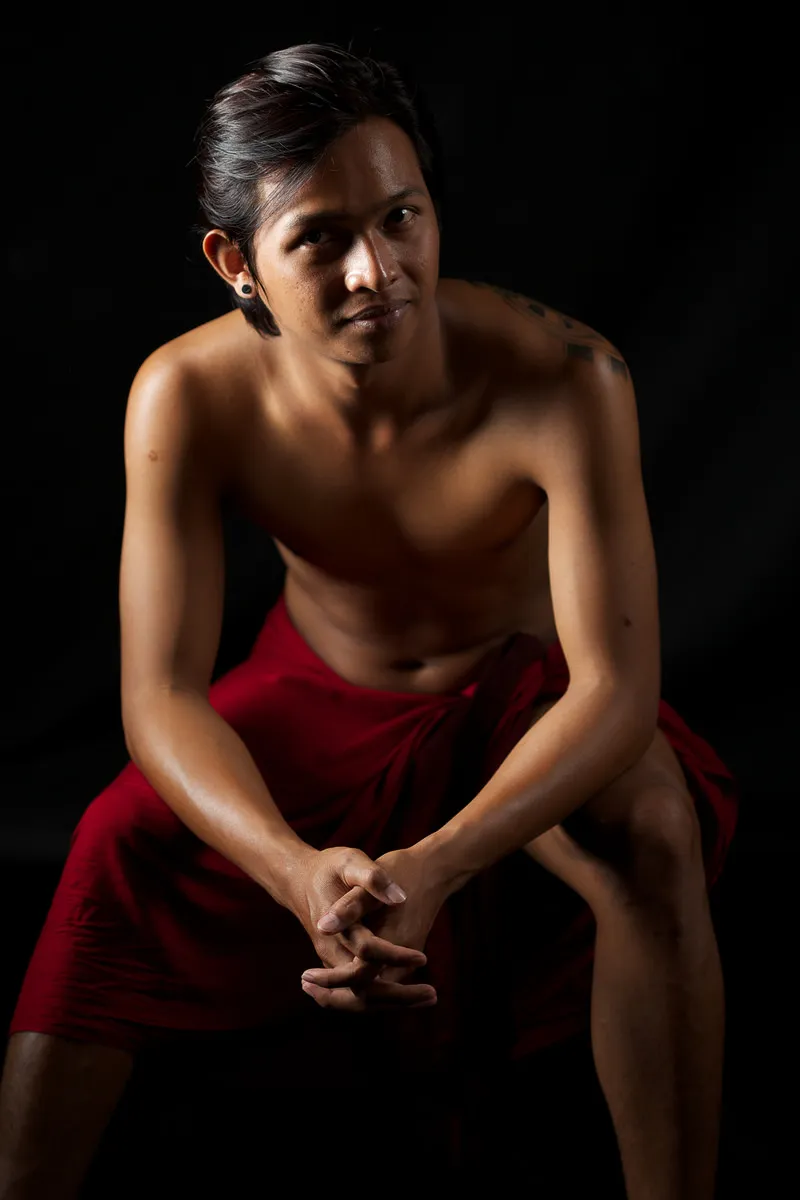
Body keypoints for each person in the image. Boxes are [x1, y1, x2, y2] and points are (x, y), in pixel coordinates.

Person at [0, 42, 738, 1199]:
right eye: (320, 239)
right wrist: (295, 872)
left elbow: (612, 690)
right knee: (113, 839)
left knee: (648, 829)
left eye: (401, 218)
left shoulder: (566, 376)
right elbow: (160, 694)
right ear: (236, 263)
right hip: (316, 690)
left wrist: (435, 862)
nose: (376, 271)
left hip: (525, 693)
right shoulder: (184, 395)